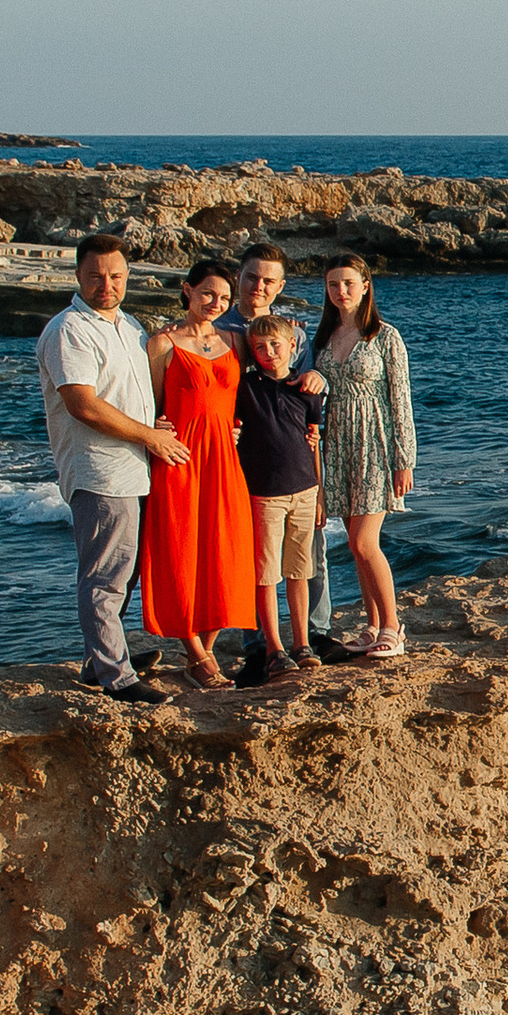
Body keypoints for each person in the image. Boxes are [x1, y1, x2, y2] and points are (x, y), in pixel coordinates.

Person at [36, 232, 189, 704]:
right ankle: (116, 678)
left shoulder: (128, 325)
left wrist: (155, 424)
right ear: (78, 276)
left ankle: (99, 659)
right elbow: (83, 404)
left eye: (116, 276)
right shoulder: (69, 330)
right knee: (106, 575)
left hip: (135, 466)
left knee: (127, 570)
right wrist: (151, 437)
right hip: (100, 470)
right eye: (96, 277)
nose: (107, 285)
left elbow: (128, 395)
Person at [219, 243, 340, 662]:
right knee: (258, 560)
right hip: (251, 465)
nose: (259, 286)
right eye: (252, 276)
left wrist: (320, 379)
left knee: (308, 555)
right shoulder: (220, 329)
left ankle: (314, 634)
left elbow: (302, 387)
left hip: (297, 466)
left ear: (280, 285)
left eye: (268, 280)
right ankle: (259, 644)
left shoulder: (296, 333)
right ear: (238, 276)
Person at [140, 258, 257, 689]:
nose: (216, 303)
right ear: (187, 290)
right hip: (181, 458)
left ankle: (203, 652)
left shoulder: (235, 340)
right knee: (179, 552)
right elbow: (149, 406)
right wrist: (155, 427)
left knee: (226, 552)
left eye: (224, 297)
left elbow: (269, 370)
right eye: (208, 293)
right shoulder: (162, 344)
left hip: (225, 459)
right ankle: (197, 656)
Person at [313, 253, 417, 660]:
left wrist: (404, 459)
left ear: (365, 286)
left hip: (375, 444)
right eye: (333, 284)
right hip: (338, 445)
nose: (341, 291)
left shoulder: (385, 336)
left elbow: (401, 401)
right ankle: (372, 626)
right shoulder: (324, 337)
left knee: (363, 541)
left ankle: (393, 627)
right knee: (356, 548)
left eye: (348, 283)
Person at [234, 314, 325, 685]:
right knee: (266, 573)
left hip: (304, 490)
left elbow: (314, 441)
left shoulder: (306, 389)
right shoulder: (245, 388)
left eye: (276, 344)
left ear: (292, 346)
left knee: (299, 570)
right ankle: (274, 648)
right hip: (263, 494)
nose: (269, 352)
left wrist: (320, 494)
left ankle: (302, 643)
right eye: (260, 347)